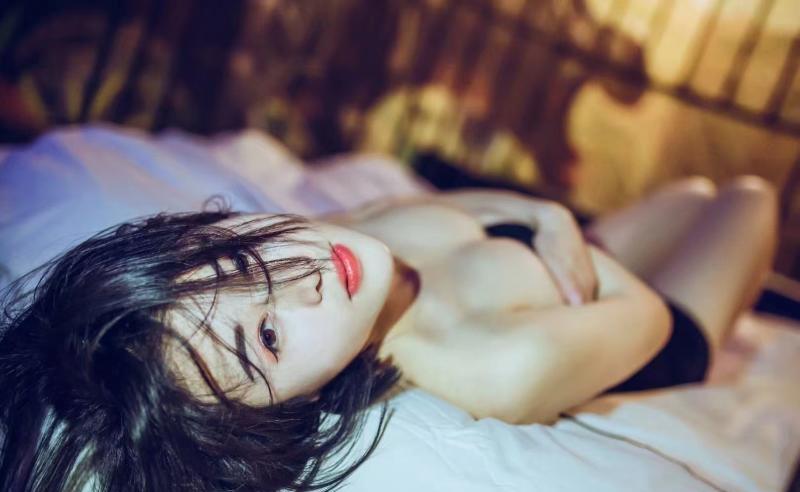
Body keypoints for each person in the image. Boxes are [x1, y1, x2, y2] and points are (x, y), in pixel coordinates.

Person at [0, 174, 778, 491]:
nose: (299, 276)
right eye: (267, 338)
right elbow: (648, 320)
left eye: (237, 259)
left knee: (692, 193)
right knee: (747, 195)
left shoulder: (329, 239)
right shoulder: (492, 364)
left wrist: (545, 217)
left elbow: (450, 209)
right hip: (654, 321)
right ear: (285, 409)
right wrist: (575, 256)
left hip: (557, 243)